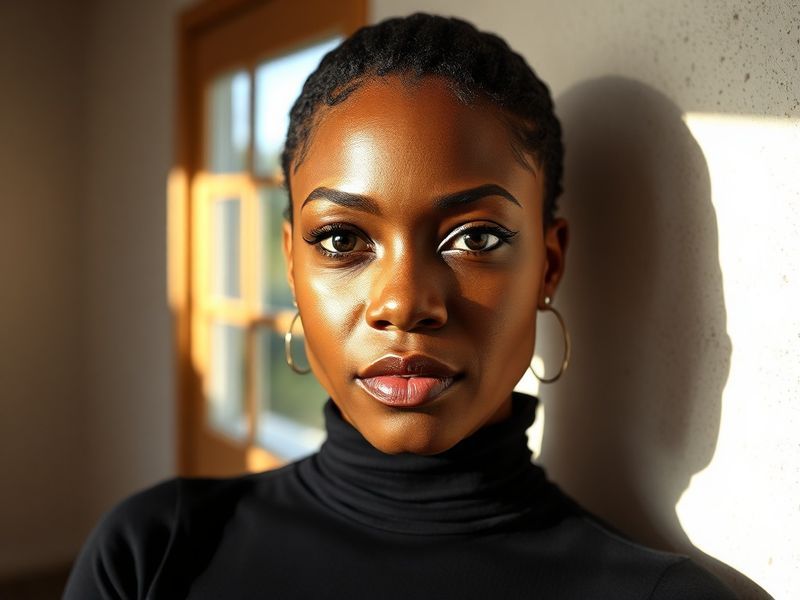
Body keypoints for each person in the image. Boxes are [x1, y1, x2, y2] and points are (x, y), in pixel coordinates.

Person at [65, 13, 736, 599]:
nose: (404, 304)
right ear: (293, 266)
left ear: (548, 267)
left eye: (475, 237)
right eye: (341, 239)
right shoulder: (153, 552)